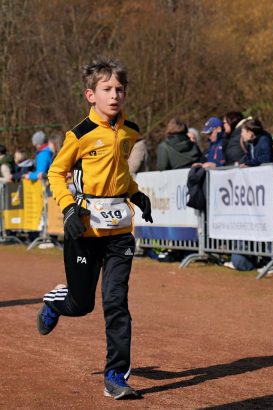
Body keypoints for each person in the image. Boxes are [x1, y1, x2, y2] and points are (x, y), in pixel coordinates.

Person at [36, 57, 153, 400]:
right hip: (84, 233)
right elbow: (56, 173)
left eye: (120, 89)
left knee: (116, 302)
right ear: (91, 95)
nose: (115, 95)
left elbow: (119, 174)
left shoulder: (130, 131)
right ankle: (55, 302)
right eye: (107, 89)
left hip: (119, 234)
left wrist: (135, 194)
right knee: (81, 304)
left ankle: (115, 375)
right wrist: (69, 207)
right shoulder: (79, 135)